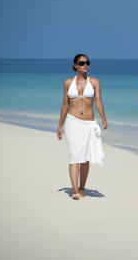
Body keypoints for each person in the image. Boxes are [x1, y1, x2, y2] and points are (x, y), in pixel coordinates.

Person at [57, 54, 107, 200]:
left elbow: (98, 101)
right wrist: (59, 126)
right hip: (72, 123)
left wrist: (103, 117)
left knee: (85, 158)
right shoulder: (67, 83)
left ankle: (82, 188)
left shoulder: (95, 82)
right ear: (75, 65)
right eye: (82, 63)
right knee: (74, 156)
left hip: (89, 123)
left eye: (87, 62)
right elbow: (65, 104)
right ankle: (74, 191)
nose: (85, 65)